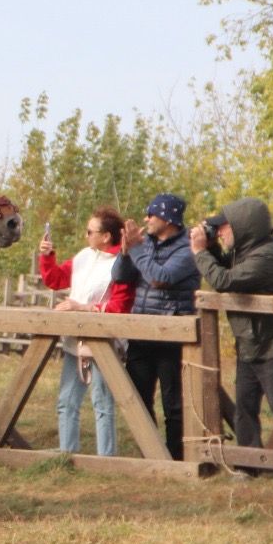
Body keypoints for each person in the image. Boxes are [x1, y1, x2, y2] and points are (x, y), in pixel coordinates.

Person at [191, 199, 273, 453]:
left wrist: (201, 252)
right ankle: (249, 465)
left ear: (243, 227)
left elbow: (224, 279)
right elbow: (227, 266)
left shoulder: (267, 256)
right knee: (245, 407)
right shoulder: (246, 252)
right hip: (251, 341)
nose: (221, 232)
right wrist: (213, 248)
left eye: (224, 227)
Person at [110, 193, 199, 460]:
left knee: (173, 403)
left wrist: (136, 250)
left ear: (168, 218)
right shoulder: (143, 242)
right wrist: (126, 253)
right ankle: (151, 453)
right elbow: (119, 277)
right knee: (138, 399)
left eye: (152, 214)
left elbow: (161, 278)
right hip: (142, 332)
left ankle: (176, 457)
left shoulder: (187, 249)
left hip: (172, 335)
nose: (146, 219)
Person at [38, 207, 133, 456]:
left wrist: (82, 307)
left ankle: (106, 460)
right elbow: (55, 279)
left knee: (102, 403)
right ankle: (66, 456)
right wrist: (48, 256)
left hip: (104, 342)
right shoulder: (84, 256)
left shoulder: (121, 264)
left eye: (90, 231)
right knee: (66, 402)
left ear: (106, 236)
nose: (86, 235)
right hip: (75, 340)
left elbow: (119, 306)